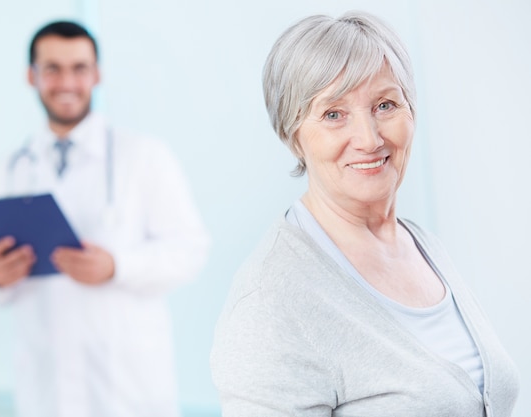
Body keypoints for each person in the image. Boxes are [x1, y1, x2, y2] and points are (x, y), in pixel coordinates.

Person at [210, 11, 519, 416]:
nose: (370, 139)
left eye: (385, 104)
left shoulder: (421, 245)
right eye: (334, 114)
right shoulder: (269, 303)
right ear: (293, 134)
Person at [0, 21, 210, 417]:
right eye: (52, 68)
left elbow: (190, 250)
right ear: (31, 76)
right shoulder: (9, 169)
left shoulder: (145, 156)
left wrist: (117, 266)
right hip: (45, 390)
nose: (66, 81)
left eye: (79, 68)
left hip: (130, 390)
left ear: (97, 74)